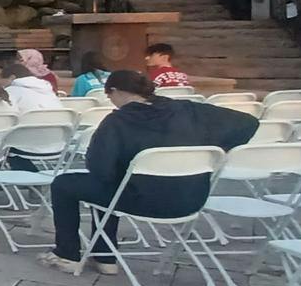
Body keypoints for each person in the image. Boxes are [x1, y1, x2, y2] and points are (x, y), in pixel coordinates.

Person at [39, 69, 256, 274]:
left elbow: (100, 171)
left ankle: (69, 254)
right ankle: (103, 256)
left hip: (145, 200)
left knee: (68, 184)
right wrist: (215, 152)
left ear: (115, 92)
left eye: (110, 96)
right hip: (191, 198)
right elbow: (249, 123)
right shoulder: (188, 109)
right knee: (113, 185)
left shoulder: (119, 121)